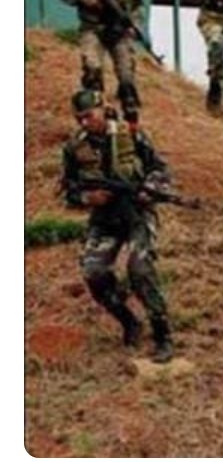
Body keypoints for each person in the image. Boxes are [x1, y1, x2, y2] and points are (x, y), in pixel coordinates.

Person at [61, 89, 174, 363]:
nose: (85, 122)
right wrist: (88, 198)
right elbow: (69, 190)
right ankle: (129, 321)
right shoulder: (75, 148)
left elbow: (160, 169)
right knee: (93, 273)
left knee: (140, 268)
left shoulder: (131, 134)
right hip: (105, 219)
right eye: (79, 118)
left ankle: (162, 334)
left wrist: (149, 189)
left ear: (103, 108)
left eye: (89, 115)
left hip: (137, 213)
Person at [57, 0, 145, 124]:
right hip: (92, 27)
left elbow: (138, 2)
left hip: (119, 29)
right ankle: (98, 119)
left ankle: (132, 121)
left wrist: (134, 24)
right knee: (92, 70)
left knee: (126, 76)